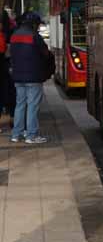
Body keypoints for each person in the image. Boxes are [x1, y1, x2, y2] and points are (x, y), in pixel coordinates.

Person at [9, 11, 52, 144]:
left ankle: (16, 134)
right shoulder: (35, 36)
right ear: (33, 24)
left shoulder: (14, 36)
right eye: (37, 24)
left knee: (20, 105)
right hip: (33, 77)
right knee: (32, 106)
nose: (38, 27)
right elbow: (46, 53)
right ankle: (31, 136)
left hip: (17, 77)